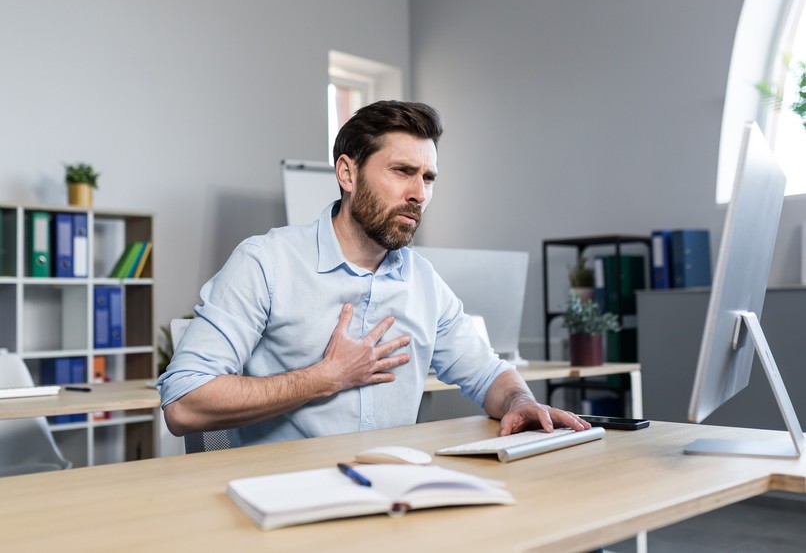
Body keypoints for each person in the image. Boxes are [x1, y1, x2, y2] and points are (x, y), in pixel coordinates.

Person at [158, 100, 589, 445]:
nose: (419, 194)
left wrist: (520, 401)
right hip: (287, 504)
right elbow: (183, 404)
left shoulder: (423, 281)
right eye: (403, 171)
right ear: (348, 173)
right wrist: (325, 378)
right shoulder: (266, 263)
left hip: (393, 499)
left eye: (429, 178)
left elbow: (488, 373)